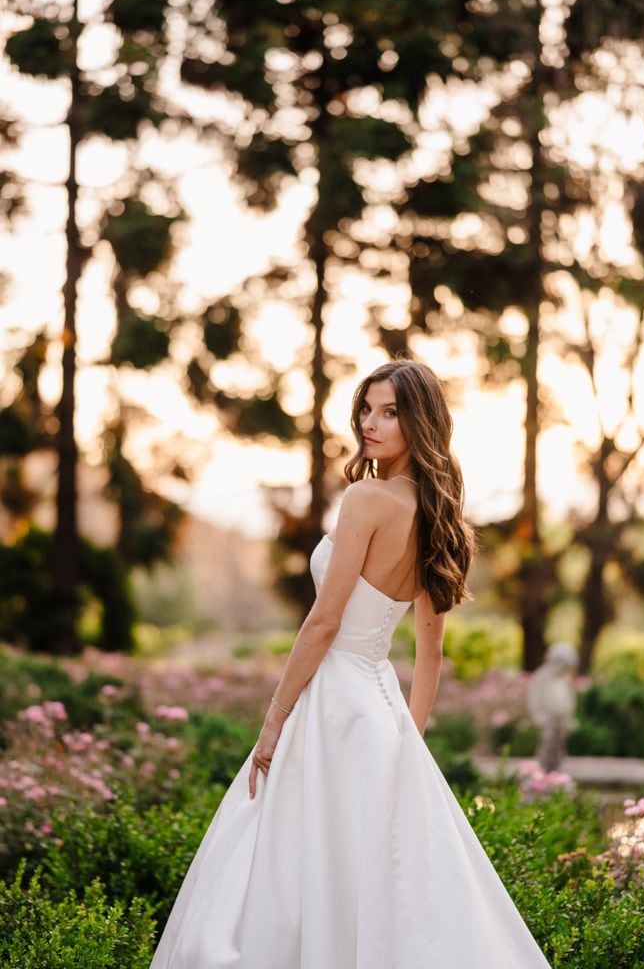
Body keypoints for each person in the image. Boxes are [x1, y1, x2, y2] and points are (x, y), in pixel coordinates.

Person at [149, 358, 553, 968]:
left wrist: (273, 720)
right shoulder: (440, 518)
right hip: (380, 711)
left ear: (420, 422)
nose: (370, 423)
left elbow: (325, 622)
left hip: (333, 703)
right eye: (367, 408)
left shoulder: (367, 498)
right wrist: (409, 742)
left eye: (390, 412)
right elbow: (430, 650)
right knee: (379, 879)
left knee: (296, 863)